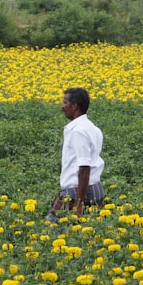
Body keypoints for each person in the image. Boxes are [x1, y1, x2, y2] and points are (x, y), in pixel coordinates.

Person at [47, 87, 104, 222]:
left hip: (78, 191)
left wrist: (78, 204)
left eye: (65, 103)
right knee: (89, 231)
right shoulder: (93, 128)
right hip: (96, 189)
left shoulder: (78, 131)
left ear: (74, 106)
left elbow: (84, 167)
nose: (62, 106)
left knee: (54, 228)